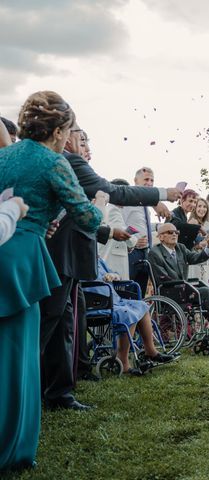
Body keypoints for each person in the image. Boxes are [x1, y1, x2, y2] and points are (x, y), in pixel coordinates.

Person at [41, 122, 180, 409]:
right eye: (82, 136)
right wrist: (162, 194)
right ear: (65, 137)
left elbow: (78, 211)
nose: (84, 143)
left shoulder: (64, 162)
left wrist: (104, 230)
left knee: (65, 325)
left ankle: (59, 393)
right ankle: (30, 391)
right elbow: (112, 192)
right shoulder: (69, 161)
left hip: (70, 257)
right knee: (48, 326)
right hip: (59, 254)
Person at [0, 91, 102, 472]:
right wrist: (101, 205)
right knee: (18, 356)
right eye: (67, 131)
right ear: (58, 130)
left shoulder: (2, 156)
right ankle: (11, 449)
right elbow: (88, 216)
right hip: (22, 258)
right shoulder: (54, 161)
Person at [84, 259, 174, 373]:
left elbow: (116, 274)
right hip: (96, 305)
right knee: (129, 313)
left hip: (114, 301)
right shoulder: (78, 263)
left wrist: (113, 276)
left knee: (142, 306)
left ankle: (150, 351)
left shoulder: (98, 261)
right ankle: (123, 361)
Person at [148, 223, 209, 337]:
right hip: (170, 292)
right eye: (170, 232)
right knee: (205, 291)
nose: (174, 234)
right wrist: (184, 285)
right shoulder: (155, 253)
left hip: (184, 289)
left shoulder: (180, 248)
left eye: (176, 232)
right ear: (161, 236)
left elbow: (195, 258)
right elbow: (161, 278)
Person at [122, 166, 172, 297]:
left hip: (145, 252)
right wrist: (132, 241)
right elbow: (120, 224)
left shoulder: (145, 205)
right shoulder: (128, 201)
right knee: (129, 290)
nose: (149, 183)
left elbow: (142, 225)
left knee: (140, 292)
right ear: (135, 180)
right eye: (146, 180)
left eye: (152, 180)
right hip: (132, 252)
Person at [98, 179, 138, 279]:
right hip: (113, 262)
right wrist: (134, 241)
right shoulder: (113, 210)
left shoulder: (109, 209)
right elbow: (123, 233)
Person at [187, 196, 209, 284]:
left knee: (207, 284)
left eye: (205, 207)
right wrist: (199, 245)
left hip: (206, 262)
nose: (202, 209)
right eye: (199, 206)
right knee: (195, 286)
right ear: (195, 208)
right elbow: (186, 246)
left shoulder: (208, 225)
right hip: (194, 262)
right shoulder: (190, 223)